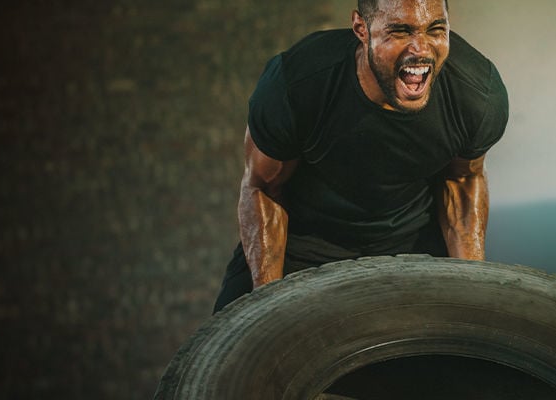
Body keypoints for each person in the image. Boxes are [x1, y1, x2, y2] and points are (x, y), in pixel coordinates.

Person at [213, 0, 508, 313]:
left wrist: (471, 292)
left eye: (435, 29)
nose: (421, 49)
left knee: (458, 347)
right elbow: (263, 188)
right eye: (400, 31)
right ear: (361, 29)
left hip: (412, 241)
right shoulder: (297, 84)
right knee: (230, 342)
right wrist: (268, 307)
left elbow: (461, 181)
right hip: (302, 242)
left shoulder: (476, 93)